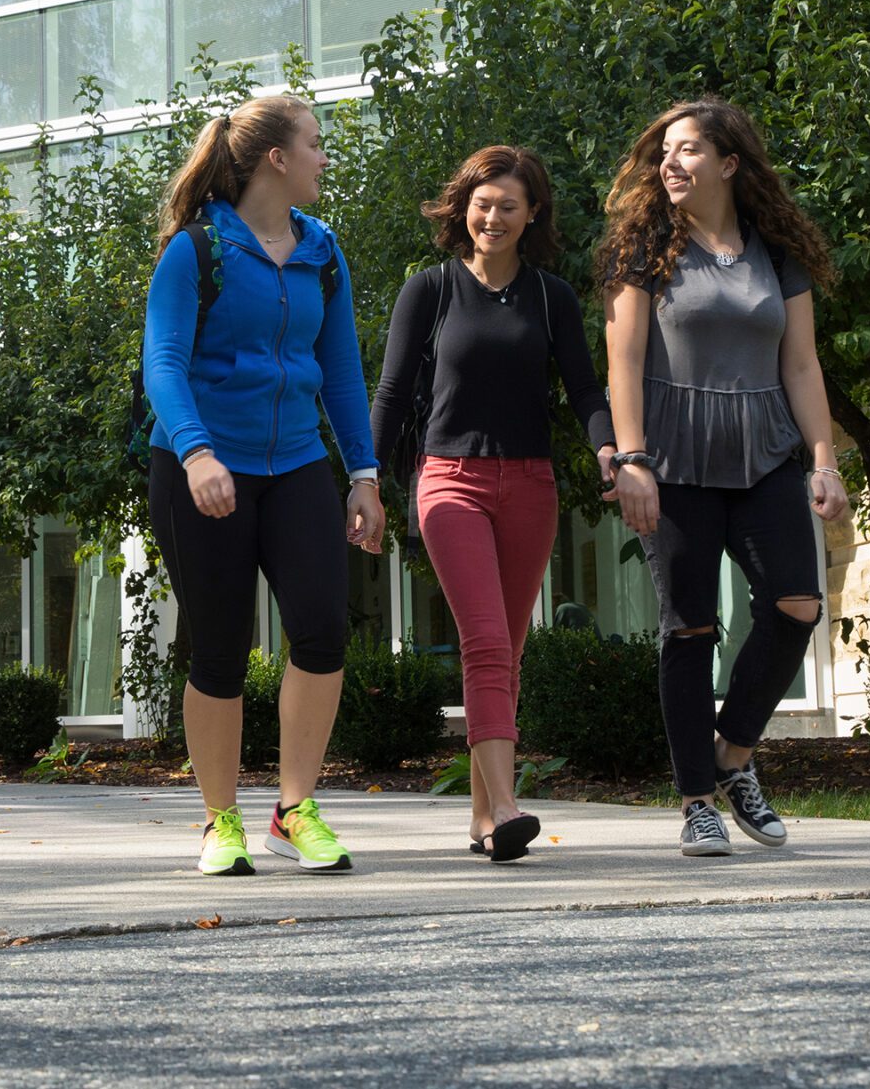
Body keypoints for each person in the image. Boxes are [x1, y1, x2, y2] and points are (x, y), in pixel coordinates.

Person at [596, 98, 847, 857]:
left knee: (797, 603)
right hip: (673, 459)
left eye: (689, 150)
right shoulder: (641, 246)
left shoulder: (776, 249)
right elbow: (625, 362)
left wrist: (825, 459)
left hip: (765, 450)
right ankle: (697, 800)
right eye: (665, 150)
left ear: (729, 164)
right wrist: (632, 458)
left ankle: (733, 757)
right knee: (690, 625)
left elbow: (800, 363)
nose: (670, 162)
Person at [142, 94, 385, 877]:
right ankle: (220, 821)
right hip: (204, 469)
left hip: (296, 465)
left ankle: (293, 807)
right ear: (276, 158)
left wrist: (363, 473)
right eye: (315, 144)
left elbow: (341, 371)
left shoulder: (322, 248)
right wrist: (196, 452)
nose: (324, 157)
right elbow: (164, 364)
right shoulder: (197, 249)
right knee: (218, 647)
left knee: (320, 631)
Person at [371, 146, 613, 863]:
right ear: (462, 206)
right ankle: (507, 804)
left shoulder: (551, 297)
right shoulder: (431, 289)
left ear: (532, 212)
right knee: (483, 640)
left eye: (509, 204)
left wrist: (609, 451)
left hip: (531, 483)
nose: (493, 216)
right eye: (483, 201)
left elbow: (586, 390)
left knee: (507, 650)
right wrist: (364, 481)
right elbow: (388, 394)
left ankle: (483, 820)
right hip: (450, 481)